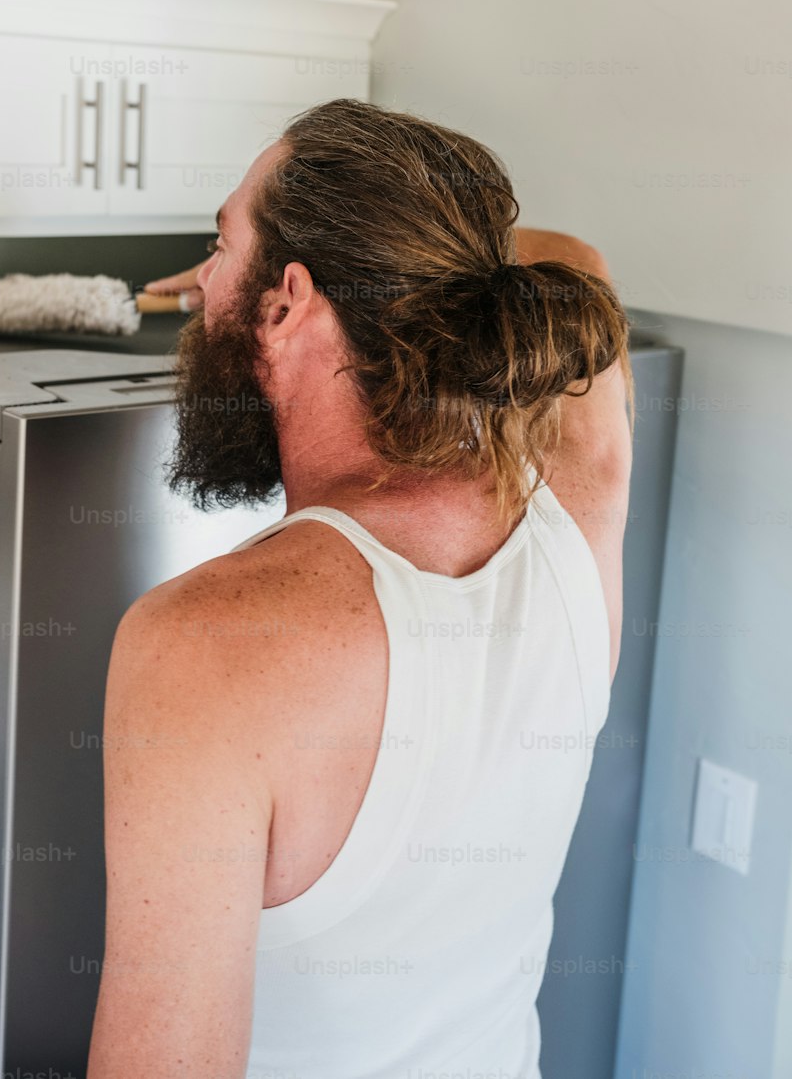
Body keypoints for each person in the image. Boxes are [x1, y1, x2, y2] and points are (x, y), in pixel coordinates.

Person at [87, 97, 634, 1079]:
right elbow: (576, 259)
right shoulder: (580, 508)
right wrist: (362, 260)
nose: (205, 277)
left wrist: (267, 269)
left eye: (220, 244)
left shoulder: (204, 648)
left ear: (288, 300)